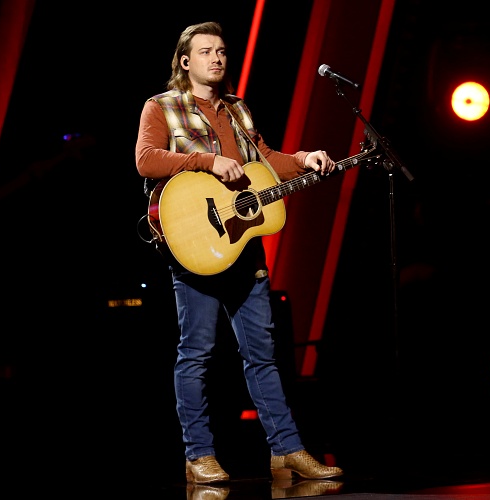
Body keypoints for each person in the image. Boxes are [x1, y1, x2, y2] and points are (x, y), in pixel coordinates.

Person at [135, 21, 344, 484]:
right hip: (196, 248)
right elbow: (146, 160)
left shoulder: (237, 109)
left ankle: (287, 451)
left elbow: (264, 160)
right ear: (186, 61)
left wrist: (304, 158)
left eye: (223, 51)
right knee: (197, 353)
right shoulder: (162, 107)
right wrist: (207, 160)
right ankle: (198, 456)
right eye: (206, 51)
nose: (217, 58)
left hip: (242, 246)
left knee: (264, 353)